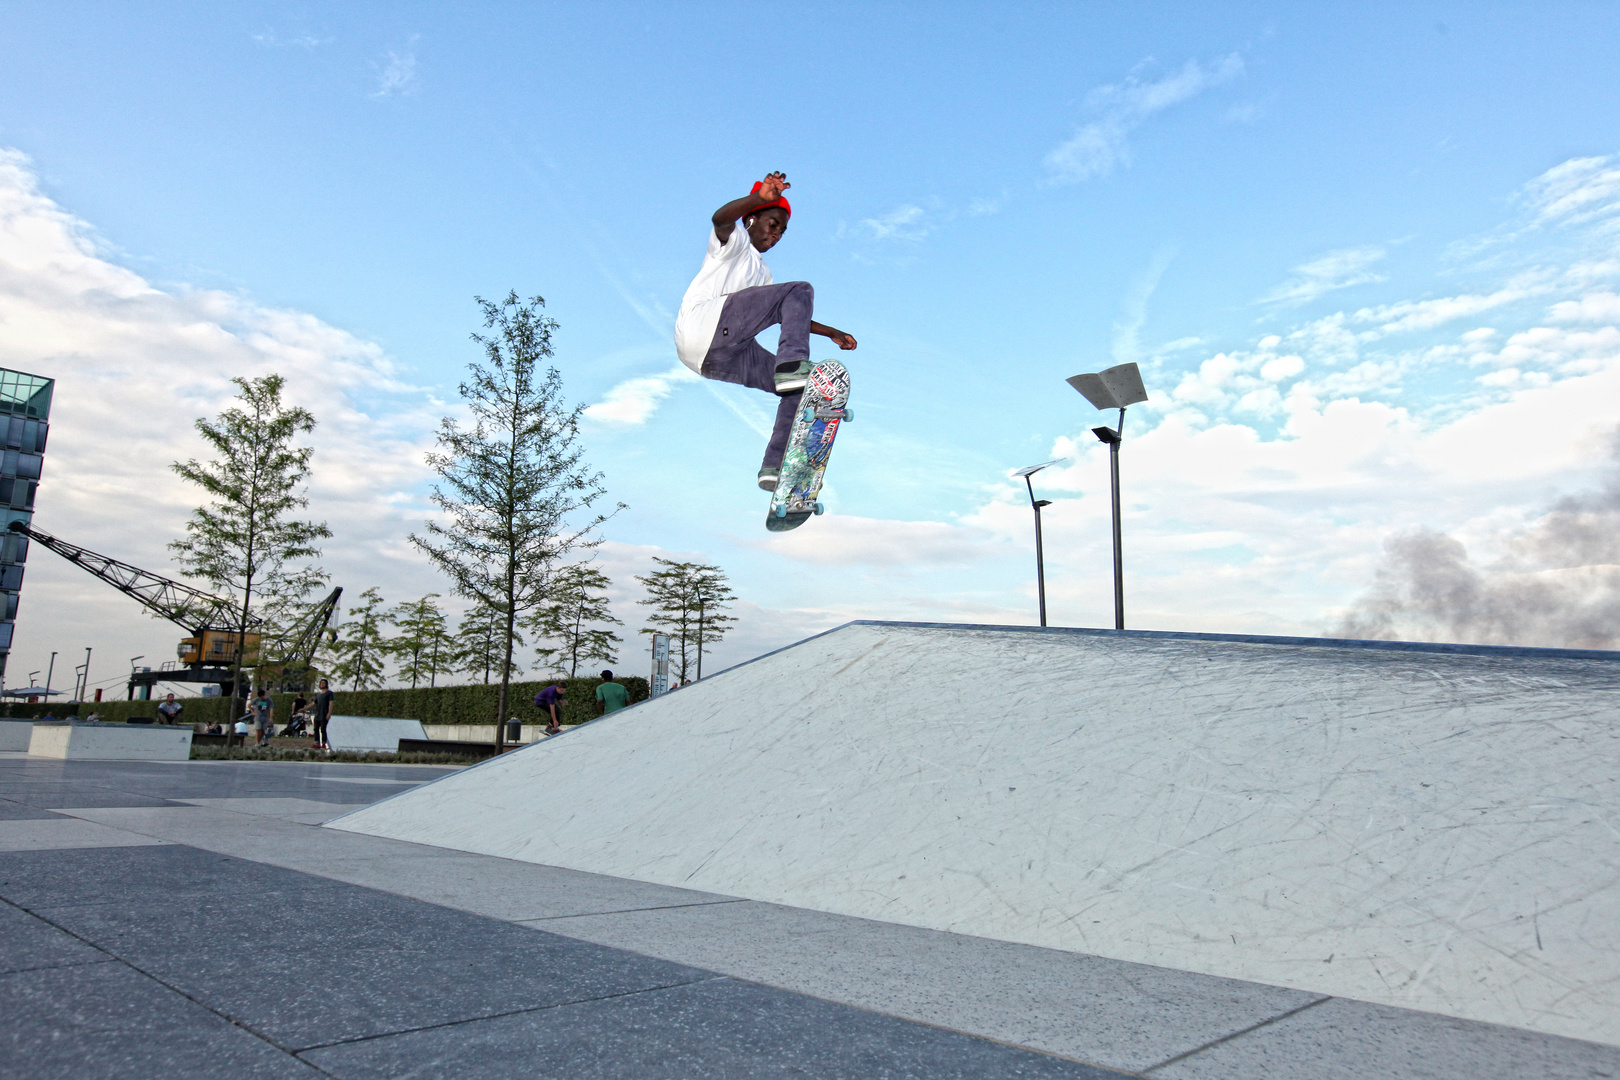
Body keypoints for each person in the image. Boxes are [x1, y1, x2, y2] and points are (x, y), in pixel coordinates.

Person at [674, 171, 858, 491]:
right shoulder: (734, 242)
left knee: (806, 390)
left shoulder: (763, 273)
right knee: (799, 290)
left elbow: (784, 315)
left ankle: (776, 467)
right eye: (772, 225)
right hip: (705, 324)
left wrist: (830, 332)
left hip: (715, 358)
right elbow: (720, 218)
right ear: (752, 220)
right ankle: (792, 365)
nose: (775, 236)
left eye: (782, 233)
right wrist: (757, 198)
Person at [311, 678, 334, 750]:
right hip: (317, 714)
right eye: (321, 683)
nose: (322, 684)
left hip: (324, 714)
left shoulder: (329, 693)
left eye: (323, 683)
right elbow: (313, 703)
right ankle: (316, 742)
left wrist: (329, 713)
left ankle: (324, 743)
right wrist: (304, 708)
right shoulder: (318, 695)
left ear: (326, 684)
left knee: (323, 729)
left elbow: (331, 703)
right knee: (316, 728)